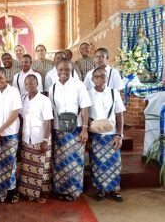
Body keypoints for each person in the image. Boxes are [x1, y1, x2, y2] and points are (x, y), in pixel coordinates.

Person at [49, 59, 92, 201]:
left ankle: (74, 190)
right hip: (59, 129)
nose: (64, 72)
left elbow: (85, 108)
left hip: (76, 128)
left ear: (71, 69)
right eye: (61, 69)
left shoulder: (79, 85)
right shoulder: (53, 87)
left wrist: (85, 129)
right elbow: (50, 110)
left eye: (67, 69)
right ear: (56, 70)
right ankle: (61, 190)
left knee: (75, 160)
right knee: (60, 161)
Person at [88, 67, 125, 202]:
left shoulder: (114, 93)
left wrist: (119, 135)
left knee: (114, 163)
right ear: (92, 79)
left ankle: (114, 189)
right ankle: (100, 190)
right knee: (97, 163)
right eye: (96, 77)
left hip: (112, 134)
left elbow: (120, 115)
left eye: (102, 76)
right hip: (96, 135)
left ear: (107, 78)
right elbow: (85, 115)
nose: (99, 79)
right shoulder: (88, 93)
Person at [18, 75, 53, 203]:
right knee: (28, 169)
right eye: (26, 84)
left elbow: (48, 121)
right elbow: (21, 118)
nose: (29, 86)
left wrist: (45, 140)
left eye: (32, 83)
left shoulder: (44, 100)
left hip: (41, 139)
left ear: (37, 84)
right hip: (27, 138)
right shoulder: (23, 99)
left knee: (43, 169)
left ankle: (43, 193)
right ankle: (30, 193)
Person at [0, 67, 22, 203]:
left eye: (0, 78)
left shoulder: (14, 91)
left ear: (5, 77)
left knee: (10, 163)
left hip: (11, 133)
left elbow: (15, 114)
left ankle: (11, 191)